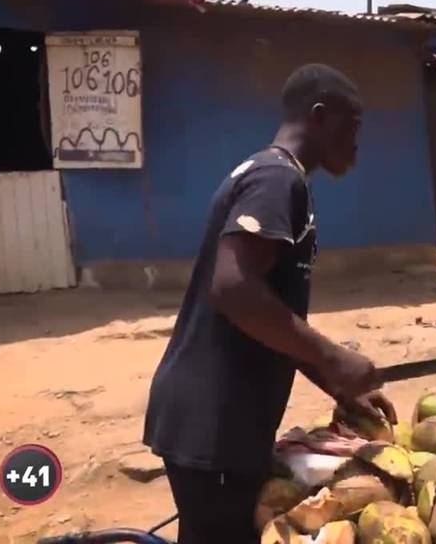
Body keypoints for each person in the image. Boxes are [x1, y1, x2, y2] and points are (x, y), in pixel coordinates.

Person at [142, 63, 396, 544]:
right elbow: (234, 289)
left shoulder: (278, 178)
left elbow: (271, 319)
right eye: (353, 126)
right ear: (319, 117)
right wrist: (333, 355)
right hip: (214, 424)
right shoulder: (278, 180)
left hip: (224, 423)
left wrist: (336, 382)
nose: (359, 143)